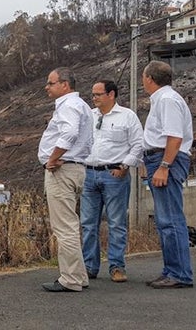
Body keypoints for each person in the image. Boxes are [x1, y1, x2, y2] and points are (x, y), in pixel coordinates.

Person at [81, 80, 143, 283]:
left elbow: (138, 144)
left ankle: (116, 266)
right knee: (88, 224)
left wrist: (125, 166)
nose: (94, 98)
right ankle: (90, 266)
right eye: (93, 94)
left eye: (98, 94)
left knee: (116, 223)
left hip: (114, 175)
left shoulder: (127, 116)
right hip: (89, 174)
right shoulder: (89, 116)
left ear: (111, 94)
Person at [37, 67, 93, 292]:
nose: (47, 87)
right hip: (75, 168)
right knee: (70, 224)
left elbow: (69, 133)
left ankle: (70, 279)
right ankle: (79, 276)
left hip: (63, 170)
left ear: (65, 84)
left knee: (64, 228)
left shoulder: (68, 106)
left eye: (51, 83)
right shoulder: (83, 106)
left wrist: (53, 158)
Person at [141, 60, 194, 289]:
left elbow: (174, 137)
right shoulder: (163, 100)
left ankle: (179, 273)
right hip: (159, 159)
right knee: (165, 220)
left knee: (170, 219)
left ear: (149, 79)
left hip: (167, 160)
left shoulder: (167, 100)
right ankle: (171, 269)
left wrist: (164, 166)